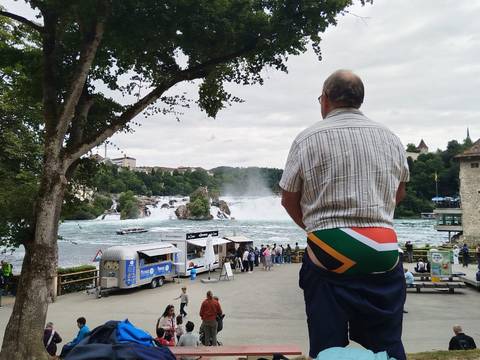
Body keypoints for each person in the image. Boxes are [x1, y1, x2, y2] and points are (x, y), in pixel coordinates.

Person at [280, 70, 410, 360]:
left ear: (325, 100)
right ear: (359, 101)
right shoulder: (391, 138)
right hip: (382, 246)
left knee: (328, 346)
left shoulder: (307, 138)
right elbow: (399, 194)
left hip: (329, 248)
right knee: (387, 343)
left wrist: (314, 230)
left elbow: (288, 199)